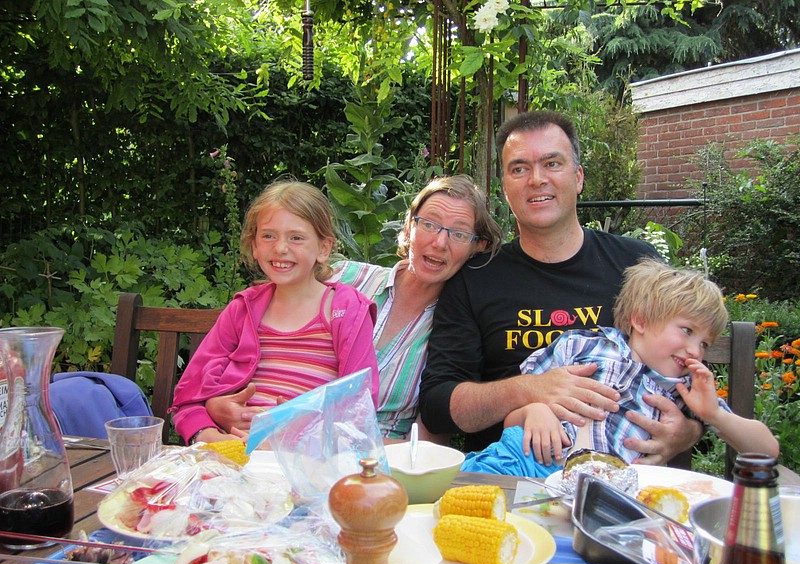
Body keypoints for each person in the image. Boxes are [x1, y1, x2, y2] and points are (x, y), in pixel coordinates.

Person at [419, 110, 704, 463]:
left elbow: (692, 370)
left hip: (634, 484)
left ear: (578, 177)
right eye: (519, 168)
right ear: (505, 187)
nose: (536, 179)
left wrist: (686, 432)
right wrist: (530, 388)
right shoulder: (476, 278)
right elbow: (437, 405)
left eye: (552, 163)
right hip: (516, 481)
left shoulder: (636, 264)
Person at [204, 175, 504, 441]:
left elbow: (427, 446)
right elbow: (264, 346)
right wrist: (215, 404)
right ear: (409, 225)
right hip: (266, 440)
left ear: (478, 246)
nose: (439, 242)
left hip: (373, 463)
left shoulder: (457, 333)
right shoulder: (344, 277)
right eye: (428, 224)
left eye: (459, 233)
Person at [461, 259, 779, 476]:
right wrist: (534, 410)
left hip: (611, 495)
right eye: (687, 331)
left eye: (705, 343)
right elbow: (514, 416)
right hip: (525, 464)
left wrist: (714, 414)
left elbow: (767, 449)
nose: (695, 350)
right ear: (639, 320)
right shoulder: (582, 346)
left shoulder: (683, 390)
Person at [169, 180, 380, 445]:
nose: (280, 248)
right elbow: (188, 399)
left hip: (306, 461)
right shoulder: (242, 311)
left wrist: (294, 433)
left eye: (296, 237)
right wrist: (211, 435)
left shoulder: (346, 311)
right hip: (229, 454)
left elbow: (359, 408)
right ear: (254, 245)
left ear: (324, 249)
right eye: (268, 236)